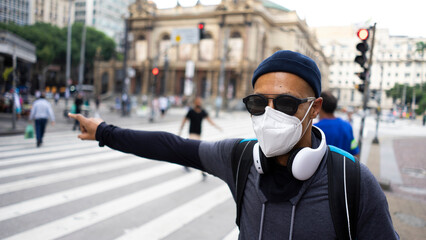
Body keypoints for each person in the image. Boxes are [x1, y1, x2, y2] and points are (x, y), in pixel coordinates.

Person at [69, 50, 398, 239]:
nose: (269, 115)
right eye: (257, 103)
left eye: (285, 104)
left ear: (314, 109)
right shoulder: (241, 159)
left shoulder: (352, 182)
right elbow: (173, 146)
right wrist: (103, 132)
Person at [315, 91, 360, 158]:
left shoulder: (315, 129)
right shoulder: (347, 126)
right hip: (344, 167)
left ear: (319, 106)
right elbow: (355, 152)